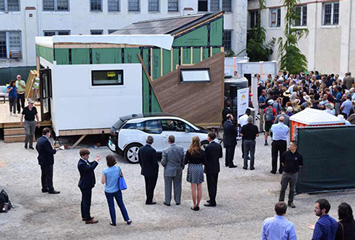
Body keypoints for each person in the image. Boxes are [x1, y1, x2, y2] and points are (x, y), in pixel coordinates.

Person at [101, 154, 132, 226]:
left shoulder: (105, 171)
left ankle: (113, 221)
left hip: (108, 191)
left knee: (111, 206)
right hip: (117, 189)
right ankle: (127, 219)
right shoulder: (118, 168)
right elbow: (121, 176)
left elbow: (103, 182)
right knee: (121, 204)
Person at [77, 148, 100, 224]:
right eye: (87, 155)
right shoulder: (81, 164)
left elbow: (89, 164)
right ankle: (88, 218)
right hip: (86, 185)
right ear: (82, 156)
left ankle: (84, 215)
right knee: (87, 202)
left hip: (85, 184)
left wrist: (95, 160)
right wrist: (96, 162)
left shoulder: (84, 161)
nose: (88, 157)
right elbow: (90, 168)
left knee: (84, 200)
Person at [161, 135, 184, 206]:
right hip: (178, 169)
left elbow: (163, 161)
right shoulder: (181, 149)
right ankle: (177, 200)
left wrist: (164, 165)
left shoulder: (165, 150)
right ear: (174, 140)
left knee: (168, 186)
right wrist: (181, 167)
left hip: (168, 169)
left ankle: (167, 201)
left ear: (168, 141)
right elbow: (183, 160)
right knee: (177, 185)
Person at [36, 127, 60, 194]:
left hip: (41, 159)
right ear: (47, 133)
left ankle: (44, 187)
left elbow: (37, 147)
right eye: (49, 133)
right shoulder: (46, 141)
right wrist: (55, 150)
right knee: (49, 175)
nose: (50, 134)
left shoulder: (39, 139)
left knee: (43, 174)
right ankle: (51, 188)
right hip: (47, 160)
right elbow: (49, 151)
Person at [278, 141, 302, 208]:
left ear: (295, 147)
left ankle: (290, 202)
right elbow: (282, 162)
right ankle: (281, 202)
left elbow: (300, 165)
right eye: (290, 145)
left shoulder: (299, 156)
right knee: (283, 188)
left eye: (291, 145)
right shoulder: (285, 154)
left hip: (294, 174)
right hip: (286, 173)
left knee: (292, 189)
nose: (290, 147)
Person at [184, 136, 205, 211]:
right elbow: (204, 162)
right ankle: (198, 204)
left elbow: (185, 162)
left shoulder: (189, 151)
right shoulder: (202, 151)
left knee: (193, 188)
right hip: (199, 167)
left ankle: (194, 204)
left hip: (192, 168)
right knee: (199, 187)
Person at [138, 136, 159, 205]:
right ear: (152, 142)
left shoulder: (141, 149)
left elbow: (140, 160)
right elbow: (154, 163)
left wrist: (143, 167)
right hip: (152, 171)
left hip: (145, 169)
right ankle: (149, 200)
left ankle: (148, 198)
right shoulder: (152, 151)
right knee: (151, 186)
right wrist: (156, 170)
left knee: (147, 184)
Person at [204, 132, 222, 207]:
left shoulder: (208, 147)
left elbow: (205, 157)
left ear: (209, 138)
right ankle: (212, 198)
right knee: (214, 183)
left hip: (209, 167)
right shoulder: (218, 146)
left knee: (210, 184)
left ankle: (212, 200)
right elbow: (220, 155)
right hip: (216, 166)